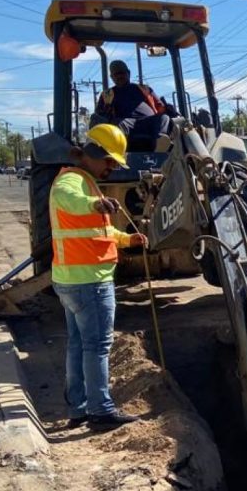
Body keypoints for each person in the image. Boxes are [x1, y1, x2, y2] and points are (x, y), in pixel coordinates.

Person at [50, 123, 147, 429]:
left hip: (72, 281)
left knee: (79, 344)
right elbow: (71, 202)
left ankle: (79, 409)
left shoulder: (87, 183)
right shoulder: (71, 183)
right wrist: (94, 203)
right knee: (98, 346)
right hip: (89, 282)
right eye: (110, 161)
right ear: (94, 154)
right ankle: (100, 410)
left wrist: (127, 239)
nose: (112, 169)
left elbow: (98, 232)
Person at [94, 59, 169, 142]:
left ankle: (161, 141)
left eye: (122, 73)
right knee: (117, 123)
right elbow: (99, 115)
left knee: (164, 118)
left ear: (128, 73)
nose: (119, 76)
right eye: (116, 74)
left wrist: (167, 109)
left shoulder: (144, 89)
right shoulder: (107, 95)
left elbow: (160, 107)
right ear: (112, 77)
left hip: (148, 122)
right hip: (127, 125)